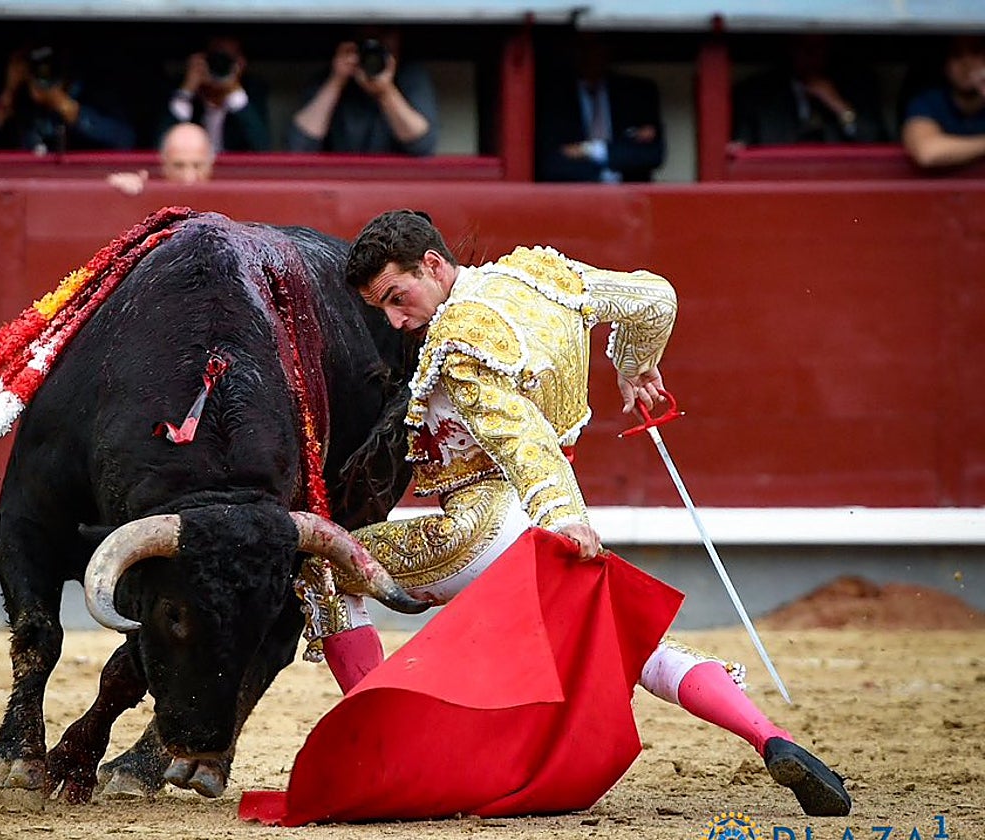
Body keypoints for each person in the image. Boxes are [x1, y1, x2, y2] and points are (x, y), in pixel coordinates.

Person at [295, 208, 852, 818]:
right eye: (383, 309)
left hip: (489, 526)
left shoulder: (460, 341)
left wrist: (562, 514)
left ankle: (386, 748)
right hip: (543, 521)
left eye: (398, 298)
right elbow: (653, 299)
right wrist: (635, 365)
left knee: (323, 566)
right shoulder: (541, 276)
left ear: (433, 264)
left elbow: (519, 436)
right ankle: (772, 738)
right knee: (638, 649)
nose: (397, 321)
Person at [286, 26, 438, 156]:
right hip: (341, 176)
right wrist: (336, 81)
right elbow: (298, 147)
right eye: (366, 38)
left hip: (393, 177)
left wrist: (385, 92)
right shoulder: (331, 76)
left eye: (384, 34)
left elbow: (423, 146)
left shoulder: (410, 75)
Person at [536, 31, 664, 183]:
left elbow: (652, 154)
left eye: (595, 46)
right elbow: (550, 163)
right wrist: (605, 170)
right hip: (575, 192)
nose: (588, 54)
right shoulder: (551, 97)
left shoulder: (637, 92)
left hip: (630, 193)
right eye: (581, 47)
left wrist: (591, 150)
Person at [731, 33, 889, 146]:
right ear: (790, 49)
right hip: (780, 178)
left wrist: (839, 106)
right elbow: (740, 147)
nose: (811, 55)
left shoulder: (857, 85)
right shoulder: (757, 93)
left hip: (841, 177)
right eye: (803, 47)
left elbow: (875, 140)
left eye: (817, 47)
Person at [0, 41, 136, 153]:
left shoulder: (94, 92)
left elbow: (126, 140)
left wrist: (68, 109)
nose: (44, 74)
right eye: (38, 68)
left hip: (79, 181)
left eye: (51, 68)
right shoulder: (20, 99)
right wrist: (9, 92)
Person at [158, 35, 271, 153]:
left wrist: (234, 90)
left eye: (228, 60)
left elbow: (262, 148)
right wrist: (186, 92)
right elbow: (159, 146)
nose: (219, 64)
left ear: (241, 64)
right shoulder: (177, 89)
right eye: (214, 59)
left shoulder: (252, 92)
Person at [901, 35, 985, 170]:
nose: (967, 63)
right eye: (957, 55)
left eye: (976, 52)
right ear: (945, 65)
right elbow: (928, 153)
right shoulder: (929, 101)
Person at [106, 122, 215, 195]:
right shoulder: (148, 197)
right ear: (164, 164)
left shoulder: (224, 198)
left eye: (197, 166)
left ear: (210, 164)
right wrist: (120, 192)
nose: (188, 179)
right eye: (178, 166)